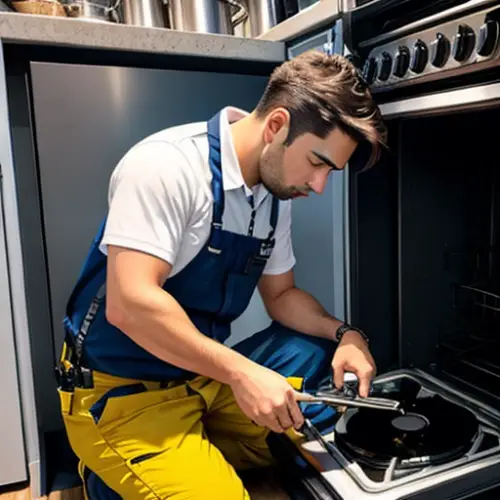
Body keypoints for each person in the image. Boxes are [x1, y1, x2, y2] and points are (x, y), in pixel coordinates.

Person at [56, 50, 387, 499]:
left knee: (314, 350)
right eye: (317, 162)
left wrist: (347, 333)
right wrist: (241, 374)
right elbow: (130, 304)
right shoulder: (165, 166)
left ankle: (197, 451)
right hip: (123, 390)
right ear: (277, 126)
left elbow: (282, 296)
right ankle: (111, 473)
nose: (319, 185)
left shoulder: (274, 195)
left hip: (197, 375)